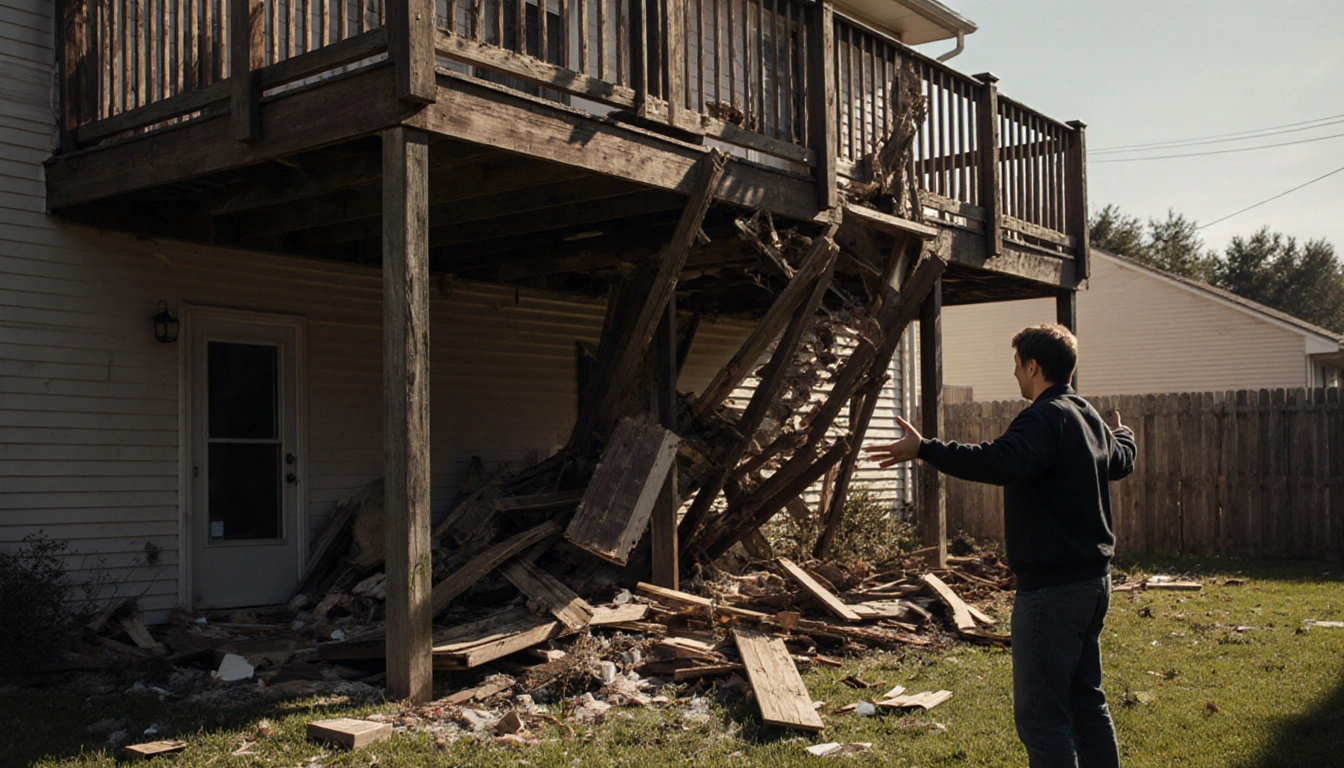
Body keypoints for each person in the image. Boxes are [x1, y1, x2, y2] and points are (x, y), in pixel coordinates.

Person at [865, 323, 1137, 768]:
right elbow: (1122, 460)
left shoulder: (1043, 417)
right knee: (1086, 702)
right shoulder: (1085, 415)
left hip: (1052, 592)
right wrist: (1121, 434)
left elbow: (997, 460)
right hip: (1093, 584)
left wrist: (925, 448)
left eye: (1016, 365)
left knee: (1041, 715)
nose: (1014, 374)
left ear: (1034, 366)